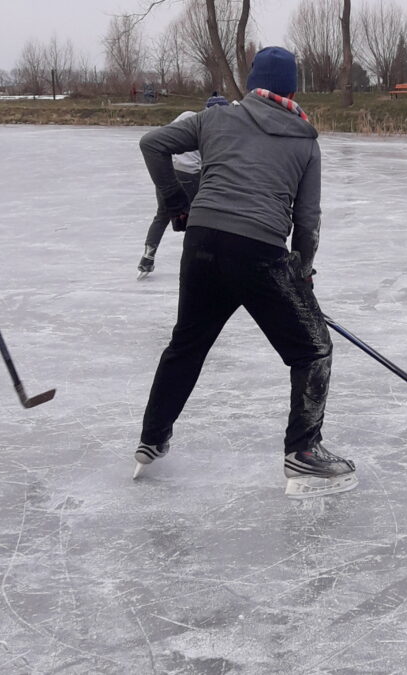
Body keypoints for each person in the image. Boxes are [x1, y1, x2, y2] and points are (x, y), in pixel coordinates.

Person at [132, 47, 356, 499]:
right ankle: (304, 452)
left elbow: (152, 143)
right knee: (313, 350)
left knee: (186, 344)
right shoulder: (304, 139)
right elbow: (307, 221)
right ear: (293, 88)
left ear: (252, 83)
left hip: (203, 244)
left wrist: (178, 204)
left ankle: (152, 439)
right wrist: (303, 270)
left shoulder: (214, 119)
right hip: (259, 251)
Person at [136, 92, 230, 279]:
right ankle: (203, 258)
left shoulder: (188, 117)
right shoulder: (216, 128)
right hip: (190, 176)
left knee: (162, 216)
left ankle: (148, 255)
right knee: (199, 218)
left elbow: (161, 140)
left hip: (167, 172)